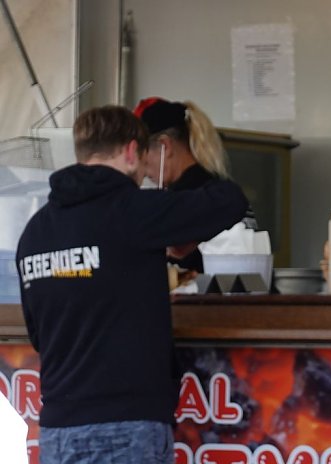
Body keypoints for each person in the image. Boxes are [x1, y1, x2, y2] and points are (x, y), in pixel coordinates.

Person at [16, 106, 248, 463]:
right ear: (129, 152)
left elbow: (37, 335)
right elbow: (230, 200)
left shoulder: (35, 232)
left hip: (55, 431)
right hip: (126, 429)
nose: (143, 174)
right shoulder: (134, 212)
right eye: (142, 161)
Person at [133, 97, 257, 272]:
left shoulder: (201, 198)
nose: (144, 171)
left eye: (143, 158)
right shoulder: (217, 187)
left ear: (164, 146)